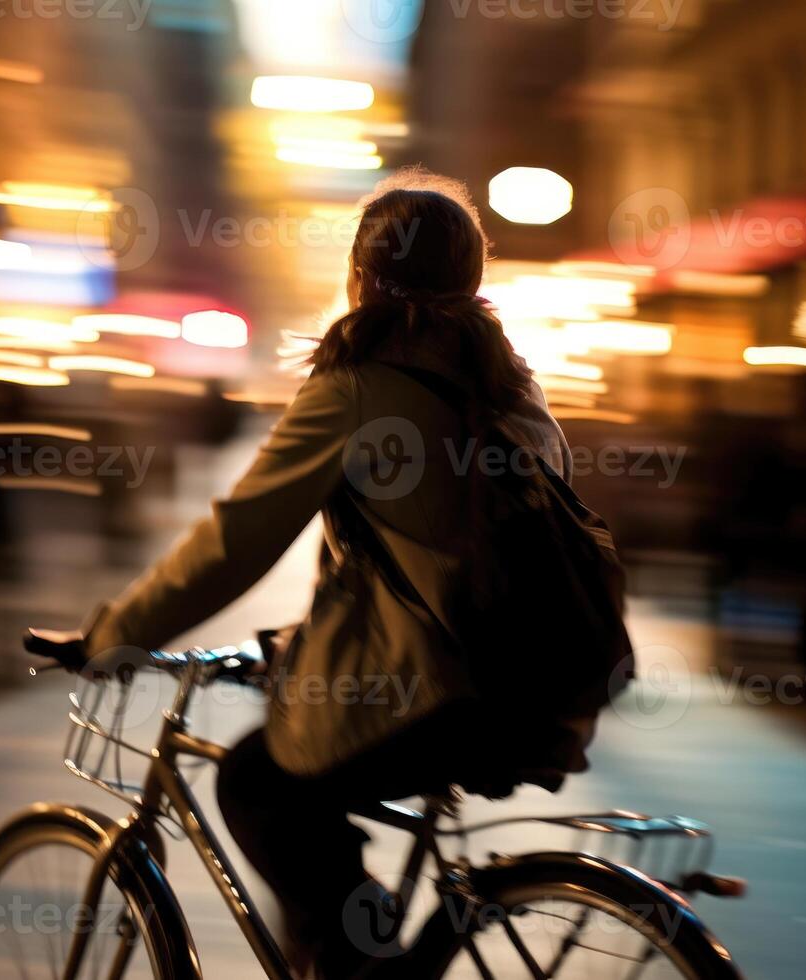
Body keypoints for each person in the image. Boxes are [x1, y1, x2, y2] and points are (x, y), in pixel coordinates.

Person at [35, 169, 597, 977]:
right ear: (472, 279)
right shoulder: (513, 388)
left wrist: (115, 635)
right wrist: (299, 648)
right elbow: (430, 554)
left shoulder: (361, 389)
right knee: (307, 786)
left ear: (363, 277)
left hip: (436, 693)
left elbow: (237, 541)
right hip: (534, 687)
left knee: (258, 784)